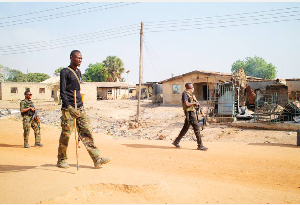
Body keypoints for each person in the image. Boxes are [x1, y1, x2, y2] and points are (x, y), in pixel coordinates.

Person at [57, 50, 111, 169]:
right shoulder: (64, 72)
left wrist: (80, 105)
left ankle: (97, 158)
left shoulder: (79, 72)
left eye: (81, 58)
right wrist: (69, 107)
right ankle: (61, 159)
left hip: (80, 107)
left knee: (87, 132)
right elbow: (62, 92)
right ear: (71, 58)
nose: (80, 60)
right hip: (69, 109)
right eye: (78, 58)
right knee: (66, 134)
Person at [172, 83, 208, 151]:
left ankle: (176, 142)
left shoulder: (190, 94)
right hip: (189, 113)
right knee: (196, 128)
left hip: (191, 112)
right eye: (191, 87)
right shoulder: (185, 94)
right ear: (188, 88)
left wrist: (196, 106)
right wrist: (194, 103)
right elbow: (186, 104)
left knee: (185, 128)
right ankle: (200, 145)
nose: (192, 88)